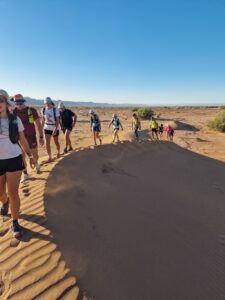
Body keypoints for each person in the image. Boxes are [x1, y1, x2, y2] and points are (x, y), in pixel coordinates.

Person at [0, 89, 35, 238]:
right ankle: (5, 201)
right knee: (1, 193)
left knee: (14, 192)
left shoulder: (15, 120)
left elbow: (22, 139)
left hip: (14, 158)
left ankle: (15, 222)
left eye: (0, 100)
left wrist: (30, 155)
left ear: (6, 102)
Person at [13, 94, 44, 181]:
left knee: (35, 155)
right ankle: (25, 173)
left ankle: (36, 163)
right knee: (22, 156)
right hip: (19, 138)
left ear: (23, 101)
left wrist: (41, 136)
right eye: (16, 102)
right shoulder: (13, 112)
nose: (18, 104)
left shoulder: (31, 110)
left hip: (31, 136)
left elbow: (38, 124)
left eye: (19, 102)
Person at [42, 97, 60, 162]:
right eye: (46, 103)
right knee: (47, 143)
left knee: (56, 142)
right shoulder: (43, 110)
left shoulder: (55, 110)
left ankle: (58, 152)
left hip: (54, 128)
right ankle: (50, 157)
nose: (47, 104)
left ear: (50, 102)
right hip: (46, 128)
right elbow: (43, 120)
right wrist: (41, 129)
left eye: (48, 103)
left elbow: (57, 121)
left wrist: (55, 129)